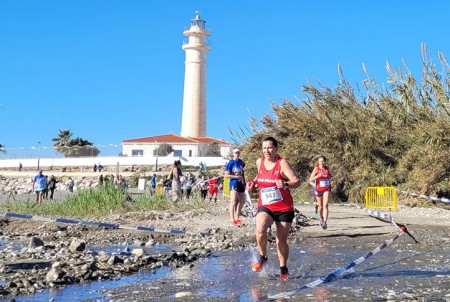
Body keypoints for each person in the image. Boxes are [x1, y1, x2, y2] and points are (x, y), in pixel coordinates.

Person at [246, 136, 301, 279]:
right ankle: (263, 256)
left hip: (284, 207)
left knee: (280, 240)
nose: (267, 151)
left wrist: (286, 184)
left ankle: (283, 269)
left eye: (270, 147)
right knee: (260, 229)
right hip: (266, 205)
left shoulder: (282, 163)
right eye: (264, 148)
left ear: (276, 149)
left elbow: (297, 181)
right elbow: (259, 178)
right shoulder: (260, 162)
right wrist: (252, 183)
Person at [309, 156, 332, 230]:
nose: (322, 163)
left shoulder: (327, 168)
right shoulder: (316, 168)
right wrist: (318, 176)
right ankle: (321, 218)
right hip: (318, 189)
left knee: (325, 205)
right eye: (320, 161)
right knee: (320, 206)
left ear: (325, 162)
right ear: (318, 162)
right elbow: (310, 179)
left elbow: (330, 177)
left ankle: (325, 222)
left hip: (326, 188)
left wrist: (330, 179)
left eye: (323, 161)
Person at [225, 148, 246, 226]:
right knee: (233, 201)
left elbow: (242, 172)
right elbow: (226, 175)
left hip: (241, 183)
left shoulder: (241, 162)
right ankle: (232, 219)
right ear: (233, 153)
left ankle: (237, 217)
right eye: (236, 153)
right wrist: (236, 177)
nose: (237, 154)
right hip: (233, 183)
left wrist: (244, 182)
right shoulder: (230, 163)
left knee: (242, 200)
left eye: (238, 152)